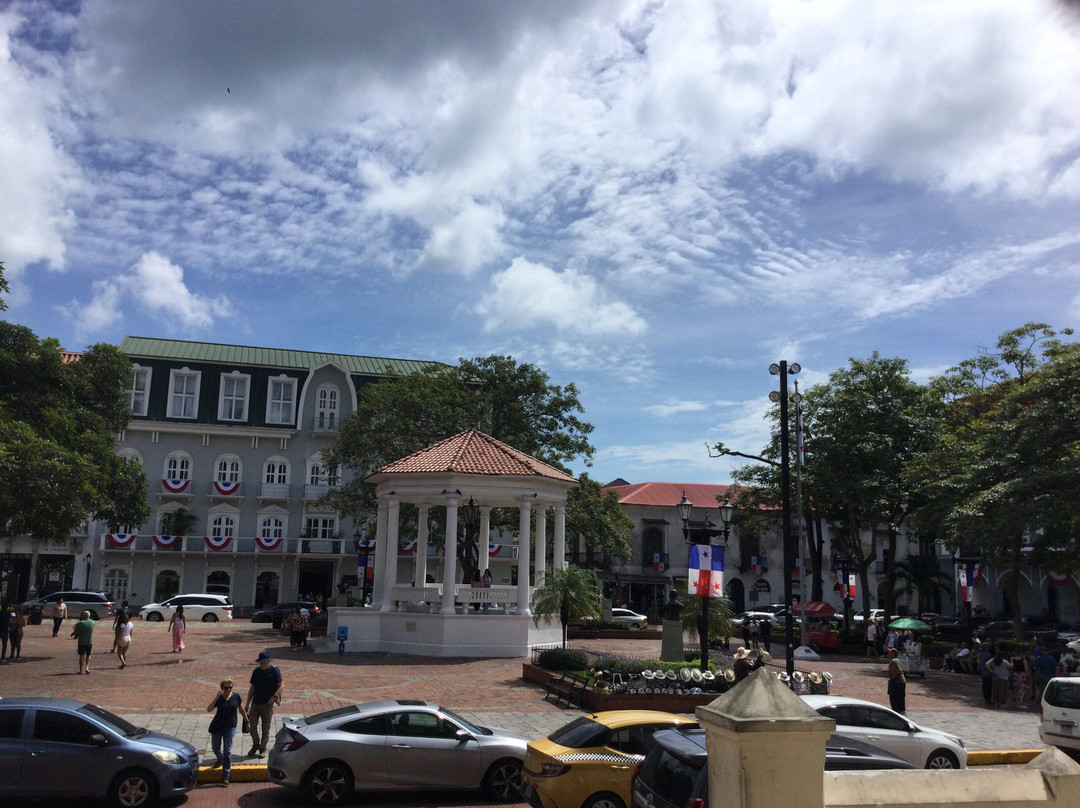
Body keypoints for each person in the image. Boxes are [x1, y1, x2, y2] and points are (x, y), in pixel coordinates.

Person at [207, 678, 249, 785]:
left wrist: (247, 720)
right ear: (222, 688)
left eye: (230, 687)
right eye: (226, 688)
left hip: (230, 727)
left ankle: (226, 775)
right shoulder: (220, 698)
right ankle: (220, 758)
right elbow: (209, 708)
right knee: (215, 747)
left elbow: (241, 709)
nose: (228, 690)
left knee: (228, 750)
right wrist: (217, 697)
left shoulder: (236, 696)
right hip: (218, 726)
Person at [245, 650, 284, 757]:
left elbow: (281, 686)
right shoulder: (256, 672)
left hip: (267, 705)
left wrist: (274, 696)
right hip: (255, 703)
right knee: (252, 726)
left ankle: (263, 748)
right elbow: (252, 687)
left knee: (265, 728)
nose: (262, 664)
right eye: (261, 662)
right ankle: (255, 744)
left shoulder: (274, 671)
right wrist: (247, 703)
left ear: (268, 662)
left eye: (264, 662)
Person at [71, 609, 95, 674]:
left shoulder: (80, 623)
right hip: (89, 641)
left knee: (81, 655)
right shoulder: (92, 622)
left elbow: (76, 632)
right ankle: (87, 667)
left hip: (82, 641)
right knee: (88, 654)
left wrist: (75, 634)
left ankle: (81, 670)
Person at [977, 641, 995, 706]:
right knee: (989, 686)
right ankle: (988, 699)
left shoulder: (980, 654)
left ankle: (986, 698)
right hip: (989, 671)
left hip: (983, 671)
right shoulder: (989, 655)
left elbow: (978, 662)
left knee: (984, 685)